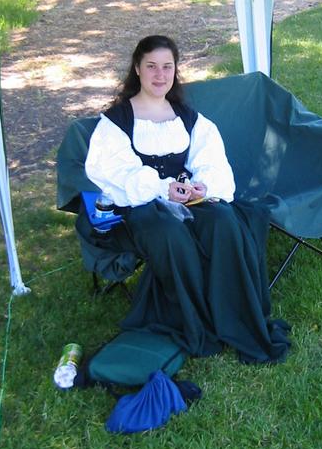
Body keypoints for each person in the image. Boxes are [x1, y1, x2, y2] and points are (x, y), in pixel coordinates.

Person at [85, 35, 290, 364]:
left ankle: (234, 318)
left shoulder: (187, 118)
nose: (160, 75)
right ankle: (197, 325)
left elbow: (211, 161)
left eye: (167, 67)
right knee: (171, 234)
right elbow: (115, 175)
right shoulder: (116, 121)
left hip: (184, 199)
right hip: (140, 206)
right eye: (151, 66)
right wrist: (161, 187)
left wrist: (202, 187)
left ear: (175, 70)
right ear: (137, 69)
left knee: (224, 221)